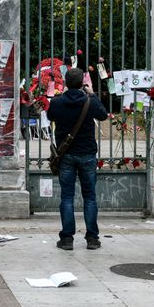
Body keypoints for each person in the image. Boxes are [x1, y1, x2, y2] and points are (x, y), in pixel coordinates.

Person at [45, 67, 107, 251]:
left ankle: (67, 239)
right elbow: (103, 115)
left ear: (65, 82)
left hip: (66, 155)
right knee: (89, 197)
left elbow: (49, 116)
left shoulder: (57, 102)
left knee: (67, 197)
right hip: (87, 154)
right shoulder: (89, 101)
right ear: (82, 83)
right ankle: (92, 238)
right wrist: (93, 94)